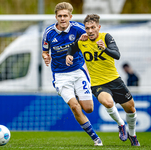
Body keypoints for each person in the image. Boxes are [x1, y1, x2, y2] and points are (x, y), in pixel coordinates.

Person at [66, 14, 140, 146]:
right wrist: (69, 55)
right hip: (97, 83)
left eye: (92, 27)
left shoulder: (106, 37)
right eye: (87, 28)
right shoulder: (82, 41)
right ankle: (121, 124)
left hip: (115, 80)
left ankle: (133, 135)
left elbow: (117, 55)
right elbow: (72, 47)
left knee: (131, 110)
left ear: (98, 27)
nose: (89, 31)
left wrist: (104, 49)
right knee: (107, 102)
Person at [42, 2, 103, 146]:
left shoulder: (78, 28)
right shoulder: (48, 32)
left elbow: (95, 37)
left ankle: (77, 95)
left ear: (70, 16)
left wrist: (90, 40)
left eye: (65, 16)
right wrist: (46, 57)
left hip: (78, 71)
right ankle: (96, 138)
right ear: (56, 17)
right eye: (60, 16)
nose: (62, 19)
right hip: (60, 75)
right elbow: (45, 51)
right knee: (75, 106)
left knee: (88, 108)